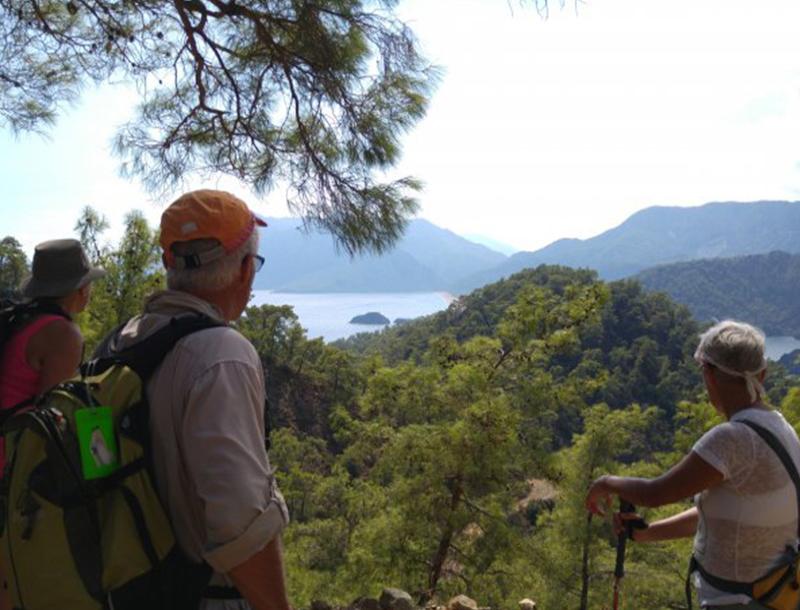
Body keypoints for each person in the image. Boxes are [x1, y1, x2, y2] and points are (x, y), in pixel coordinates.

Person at [99, 189, 291, 610]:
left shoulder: (119, 342)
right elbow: (240, 523)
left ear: (168, 263)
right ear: (245, 271)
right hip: (202, 597)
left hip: (124, 591)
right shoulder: (222, 355)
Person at [585, 320, 800, 610]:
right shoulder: (782, 429)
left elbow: (654, 494)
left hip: (736, 601)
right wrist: (648, 533)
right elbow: (721, 514)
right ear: (762, 374)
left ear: (708, 374)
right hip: (776, 595)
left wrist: (605, 482)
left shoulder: (731, 439)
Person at [0, 238, 104, 610]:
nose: (90, 291)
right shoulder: (63, 335)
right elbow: (51, 419)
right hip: (9, 466)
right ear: (76, 290)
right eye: (87, 283)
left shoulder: (20, 319)